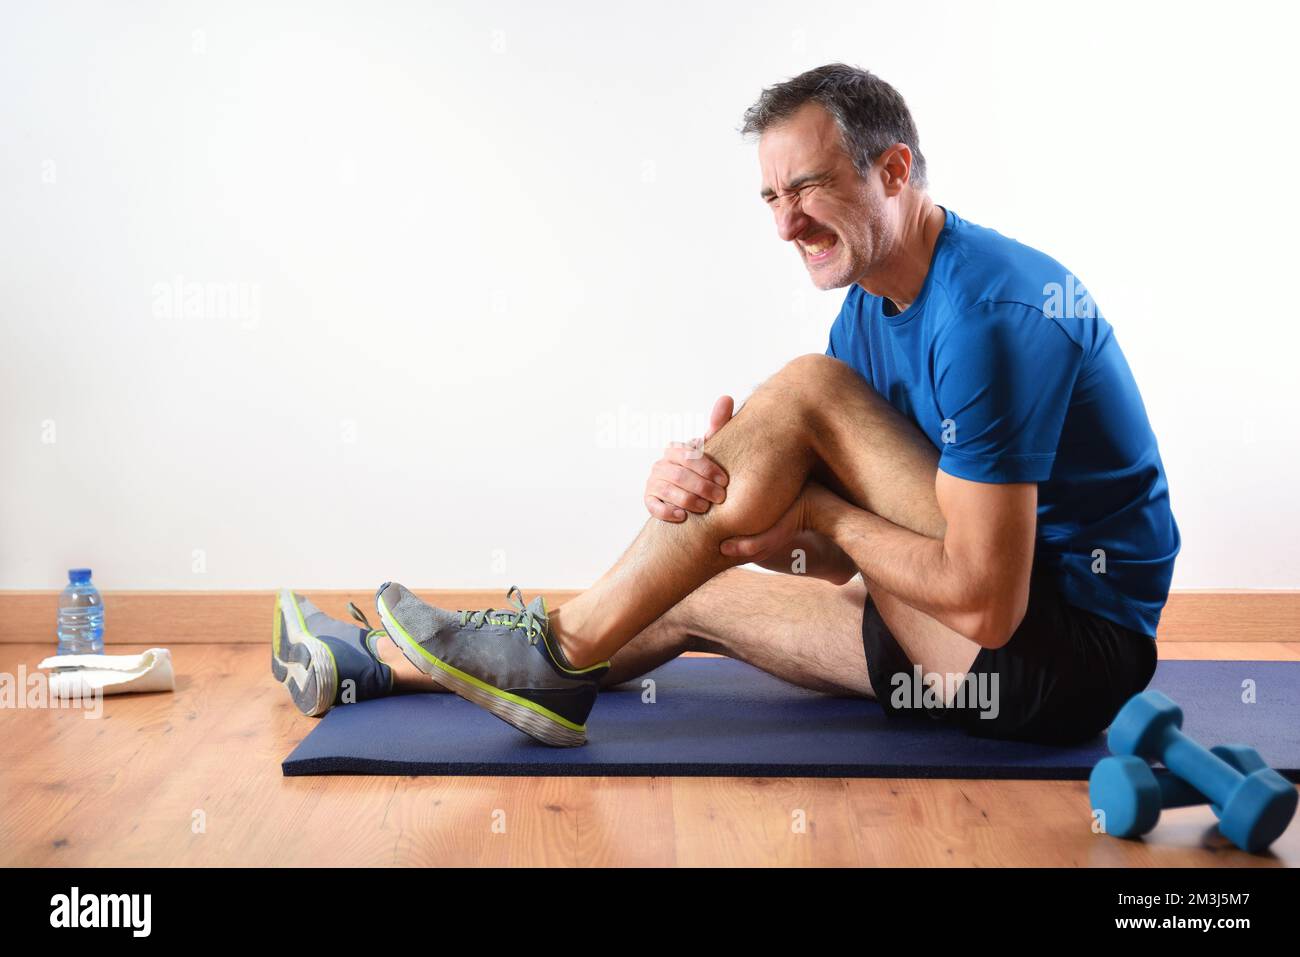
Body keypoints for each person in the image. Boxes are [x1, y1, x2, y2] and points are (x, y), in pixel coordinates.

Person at [272, 63, 1179, 748]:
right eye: (773, 198)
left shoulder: (992, 314)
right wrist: (719, 505)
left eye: (809, 188)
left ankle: (557, 643)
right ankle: (378, 670)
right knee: (679, 588)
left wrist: (810, 500)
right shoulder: (866, 314)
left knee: (808, 390)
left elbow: (986, 606)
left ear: (894, 169)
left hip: (1055, 657)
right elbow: (834, 564)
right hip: (949, 643)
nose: (786, 225)